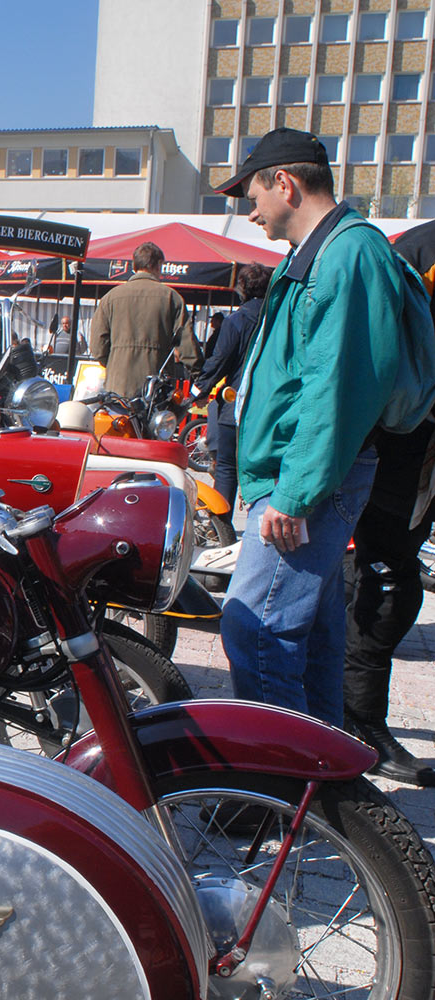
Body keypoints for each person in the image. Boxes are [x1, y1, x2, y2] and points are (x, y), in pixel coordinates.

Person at [216, 127, 429, 725]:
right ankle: (324, 775)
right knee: (310, 638)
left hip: (306, 478)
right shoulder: (325, 250)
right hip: (307, 473)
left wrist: (295, 493)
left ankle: (275, 776)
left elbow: (339, 387)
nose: (250, 212)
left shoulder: (346, 253)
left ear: (284, 183)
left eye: (252, 196)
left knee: (255, 631)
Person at [341, 218, 435, 785]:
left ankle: (351, 716)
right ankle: (357, 723)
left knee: (388, 581)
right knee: (386, 585)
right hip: (395, 447)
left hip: (409, 450)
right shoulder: (418, 250)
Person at [191, 262, 268, 511]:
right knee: (266, 471)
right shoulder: (278, 318)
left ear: (242, 287)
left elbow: (220, 360)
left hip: (236, 405)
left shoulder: (236, 320)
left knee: (226, 467)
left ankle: (220, 523)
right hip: (269, 405)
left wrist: (198, 391)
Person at [91, 241, 200, 399]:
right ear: (158, 265)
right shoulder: (171, 297)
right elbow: (187, 346)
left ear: (134, 265)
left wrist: (116, 363)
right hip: (156, 387)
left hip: (117, 387)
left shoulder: (110, 298)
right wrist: (200, 376)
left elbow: (97, 347)